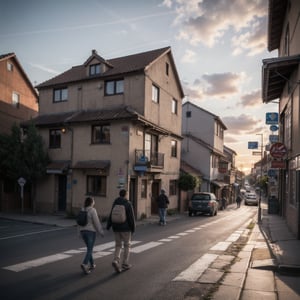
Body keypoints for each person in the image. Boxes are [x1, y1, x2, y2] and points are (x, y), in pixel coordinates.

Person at [106, 189, 136, 273]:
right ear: (126, 194)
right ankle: (125, 263)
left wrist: (108, 226)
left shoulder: (115, 202)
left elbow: (111, 214)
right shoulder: (128, 203)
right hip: (126, 228)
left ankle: (116, 260)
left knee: (118, 245)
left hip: (116, 227)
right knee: (127, 245)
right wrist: (133, 228)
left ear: (119, 194)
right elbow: (131, 217)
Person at [78, 197, 104, 275]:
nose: (94, 203)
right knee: (90, 249)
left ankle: (92, 264)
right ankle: (85, 264)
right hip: (90, 232)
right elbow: (96, 222)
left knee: (89, 249)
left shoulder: (82, 209)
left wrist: (79, 233)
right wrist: (101, 231)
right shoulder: (92, 210)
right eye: (93, 201)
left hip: (83, 232)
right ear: (91, 202)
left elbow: (78, 222)